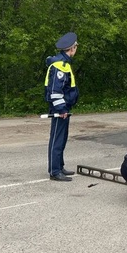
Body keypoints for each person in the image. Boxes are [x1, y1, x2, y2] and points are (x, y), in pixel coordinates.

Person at [44, 32, 79, 182]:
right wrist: (62, 109)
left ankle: (60, 166)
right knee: (57, 139)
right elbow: (55, 92)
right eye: (76, 47)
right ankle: (54, 171)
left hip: (64, 107)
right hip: (60, 109)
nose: (76, 49)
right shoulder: (60, 66)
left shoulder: (63, 63)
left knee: (62, 138)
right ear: (72, 49)